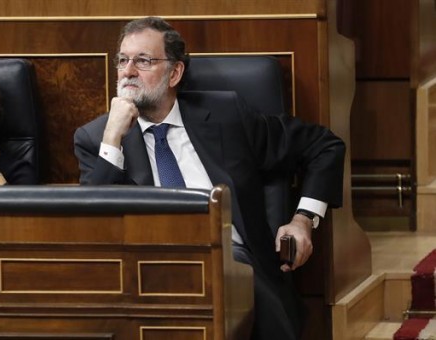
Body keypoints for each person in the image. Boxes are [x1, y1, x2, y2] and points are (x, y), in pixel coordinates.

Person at [73, 16, 345, 340]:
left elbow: (322, 145)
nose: (128, 71)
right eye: (122, 60)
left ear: (175, 73)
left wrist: (303, 219)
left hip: (233, 262)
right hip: (148, 274)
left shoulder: (226, 114)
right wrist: (113, 136)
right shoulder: (96, 140)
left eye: (143, 61)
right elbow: (92, 226)